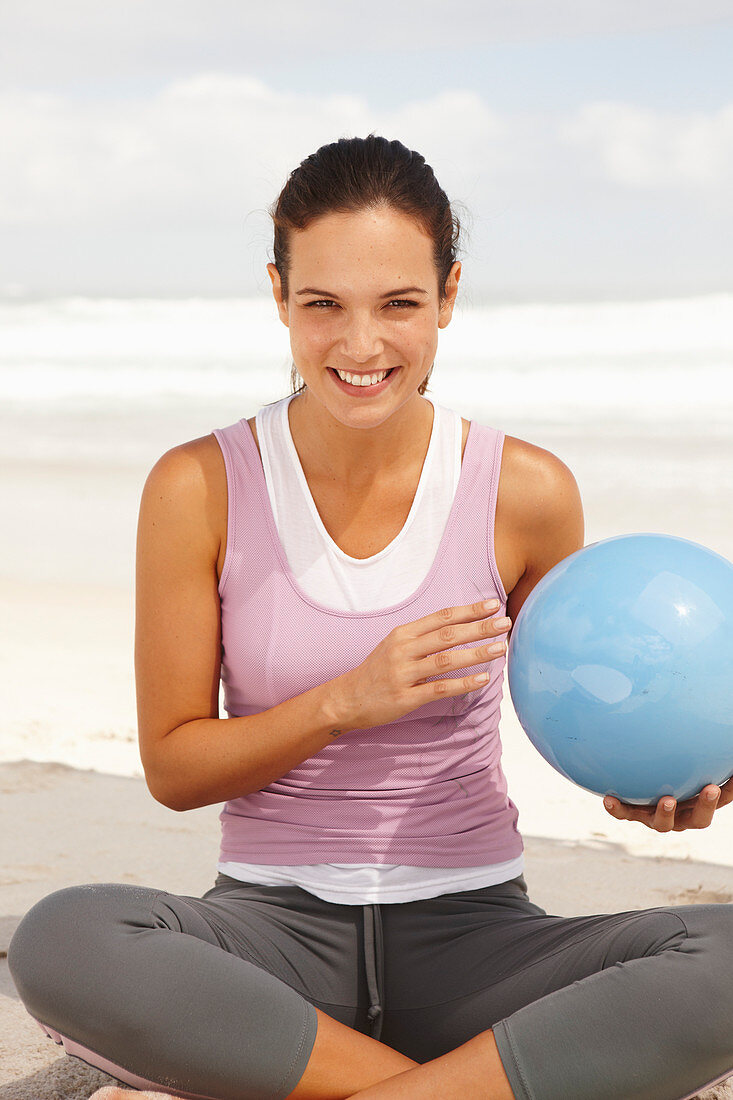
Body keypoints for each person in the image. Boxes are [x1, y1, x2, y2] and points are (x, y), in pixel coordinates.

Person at [8, 135, 733, 1100]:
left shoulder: (524, 491)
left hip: (477, 941)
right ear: (278, 295)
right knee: (66, 938)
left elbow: (581, 703)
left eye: (398, 303)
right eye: (322, 305)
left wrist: (645, 788)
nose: (360, 345)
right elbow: (175, 769)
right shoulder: (201, 486)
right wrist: (345, 701)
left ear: (449, 294)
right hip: (270, 945)